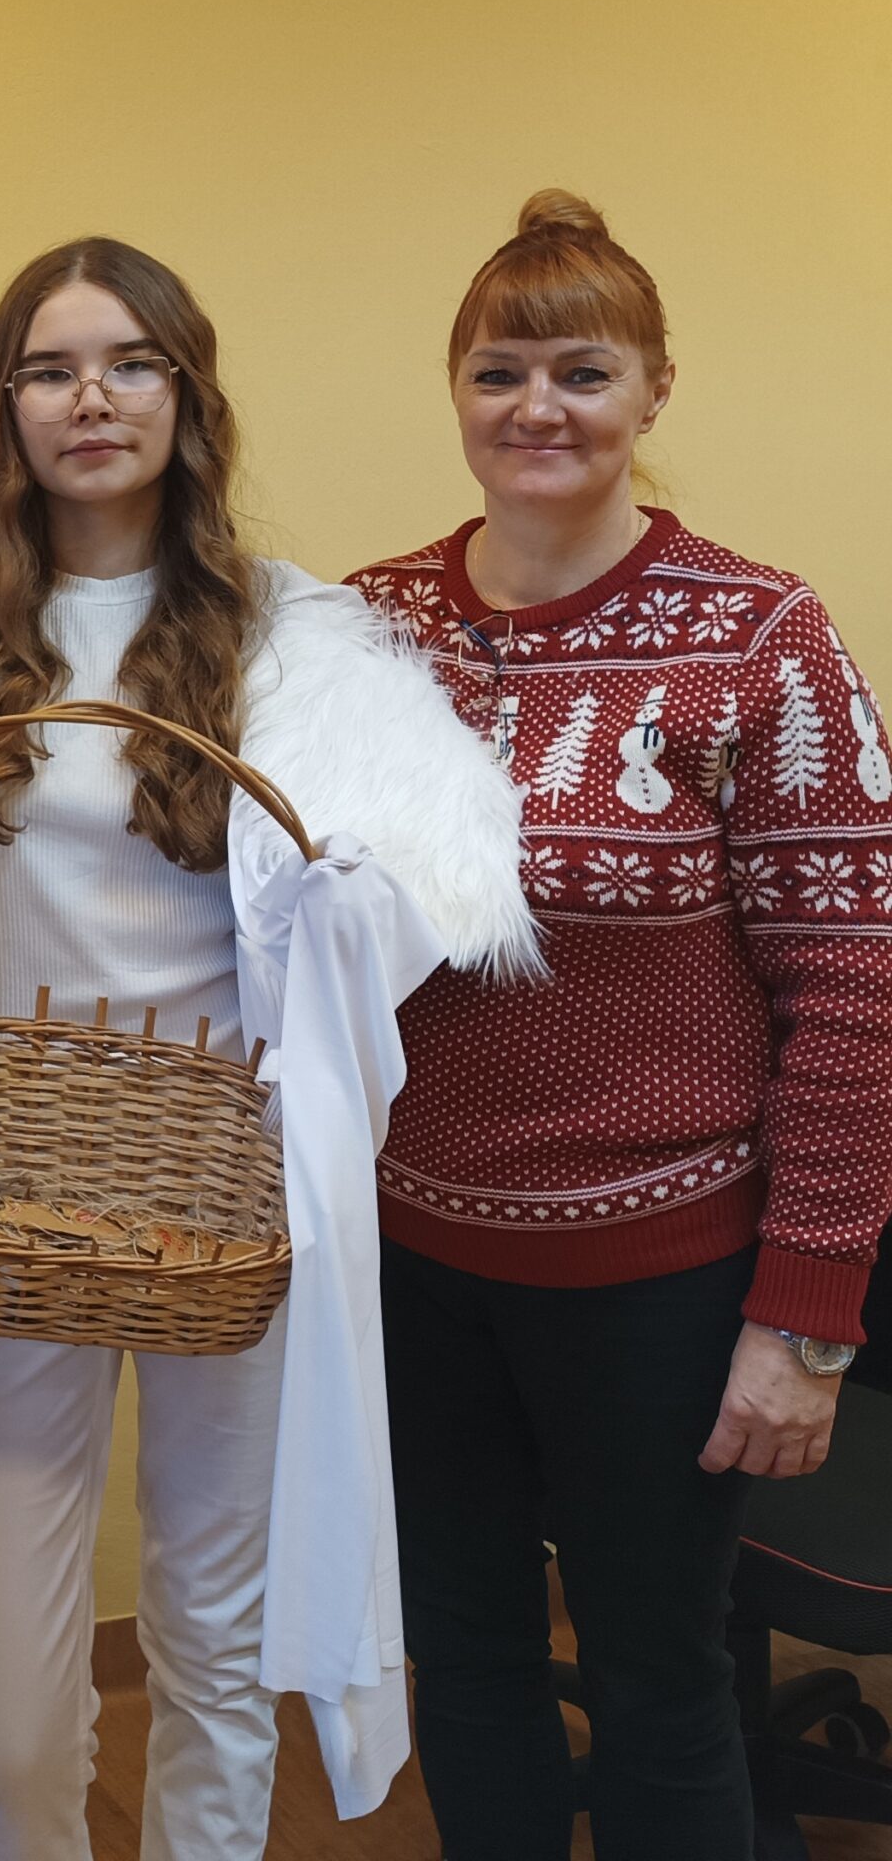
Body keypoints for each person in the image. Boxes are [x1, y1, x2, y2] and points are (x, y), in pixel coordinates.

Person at [0, 238, 535, 1861]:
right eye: (52, 368)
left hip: (225, 1186)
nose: (93, 399)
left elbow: (416, 886)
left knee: (217, 1641)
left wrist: (358, 901)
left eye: (132, 363)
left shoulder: (293, 635)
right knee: (4, 1693)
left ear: (185, 394)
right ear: (5, 405)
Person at [349, 191, 892, 1861]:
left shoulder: (760, 635)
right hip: (412, 1267)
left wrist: (805, 1318)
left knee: (662, 1684)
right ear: (455, 389)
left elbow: (854, 992)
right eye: (500, 372)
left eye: (583, 372)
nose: (539, 408)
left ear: (655, 391)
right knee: (468, 1661)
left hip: (661, 1282)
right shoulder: (364, 631)